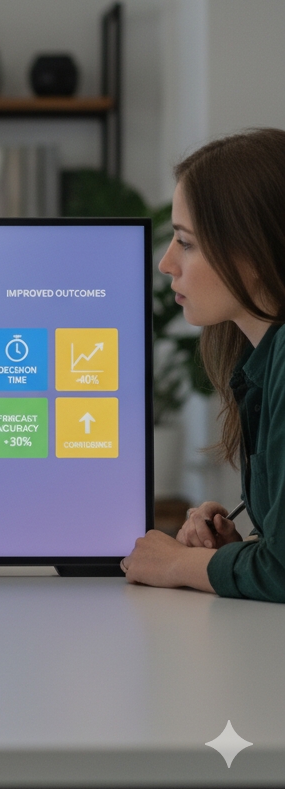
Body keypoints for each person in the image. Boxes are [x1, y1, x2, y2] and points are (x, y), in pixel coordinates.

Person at [121, 128, 285, 601]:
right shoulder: (261, 360)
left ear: (253, 252)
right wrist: (235, 551)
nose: (166, 263)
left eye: (186, 243)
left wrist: (181, 563)